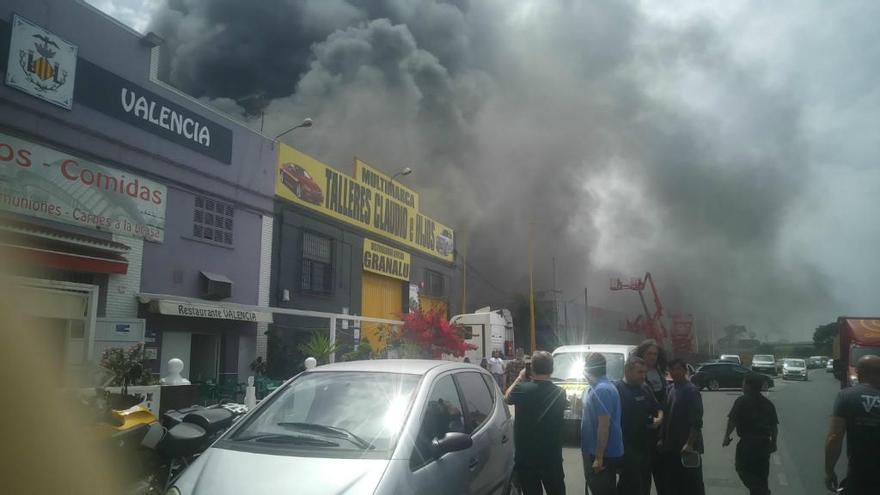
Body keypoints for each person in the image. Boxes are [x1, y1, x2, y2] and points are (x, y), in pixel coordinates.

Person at [505, 350, 568, 495]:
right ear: (551, 370)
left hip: (526, 457)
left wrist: (520, 378)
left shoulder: (522, 389)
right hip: (551, 457)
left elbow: (507, 397)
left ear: (532, 368)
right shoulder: (560, 393)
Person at [824, 355, 880, 495]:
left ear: (859, 373)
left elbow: (834, 438)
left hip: (861, 476)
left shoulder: (846, 396)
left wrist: (829, 471)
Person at [723, 372, 778, 495]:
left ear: (748, 386)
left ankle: (762, 491)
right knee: (761, 475)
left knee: (742, 469)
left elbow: (732, 421)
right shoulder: (768, 404)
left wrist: (726, 436)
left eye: (743, 383)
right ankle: (761, 490)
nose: (742, 386)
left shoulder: (741, 401)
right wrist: (774, 442)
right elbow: (774, 426)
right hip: (764, 444)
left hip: (748, 444)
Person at [615, 357, 663, 495]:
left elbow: (658, 408)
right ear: (627, 371)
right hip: (627, 448)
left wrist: (658, 420)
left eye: (644, 372)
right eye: (639, 372)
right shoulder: (617, 389)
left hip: (646, 447)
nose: (643, 376)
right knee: (629, 485)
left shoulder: (645, 388)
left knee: (644, 485)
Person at [660, 358, 705, 495]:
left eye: (678, 369)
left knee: (692, 485)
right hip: (672, 447)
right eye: (672, 370)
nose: (675, 372)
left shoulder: (691, 391)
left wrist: (690, 443)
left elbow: (696, 421)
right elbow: (666, 417)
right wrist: (662, 439)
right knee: (674, 484)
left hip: (687, 448)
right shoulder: (670, 389)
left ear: (685, 371)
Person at [581, 352, 624, 495]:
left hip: (602, 454)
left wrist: (599, 458)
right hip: (593, 450)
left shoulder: (602, 390)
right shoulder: (594, 388)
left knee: (602, 490)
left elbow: (604, 426)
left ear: (587, 368)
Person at [631, 339, 668, 494]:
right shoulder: (637, 373)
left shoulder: (659, 371)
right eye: (649, 353)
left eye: (655, 354)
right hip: (645, 430)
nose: (653, 357)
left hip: (661, 429)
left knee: (663, 475)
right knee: (643, 476)